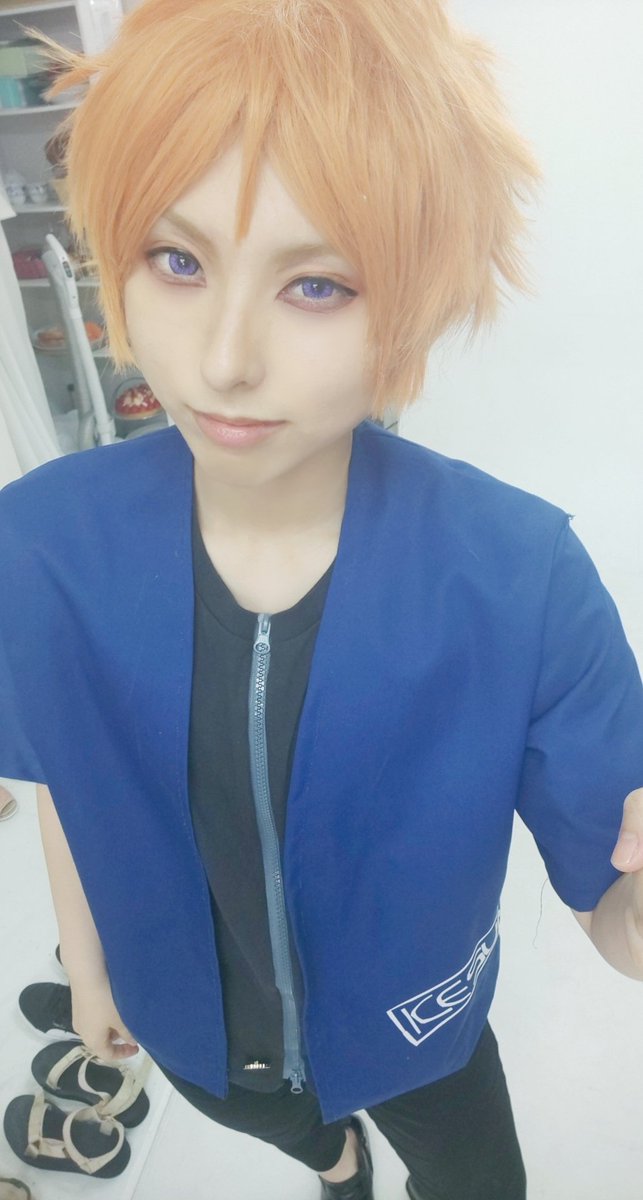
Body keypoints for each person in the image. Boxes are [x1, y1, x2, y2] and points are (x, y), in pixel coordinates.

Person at [1, 1, 642, 1197]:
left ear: (413, 297)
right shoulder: (40, 550)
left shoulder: (518, 579)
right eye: (177, 261)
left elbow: (617, 918)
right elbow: (64, 771)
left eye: (316, 285)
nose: (223, 358)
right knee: (285, 1128)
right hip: (188, 1027)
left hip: (417, 1039)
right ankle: (332, 1158)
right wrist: (89, 969)